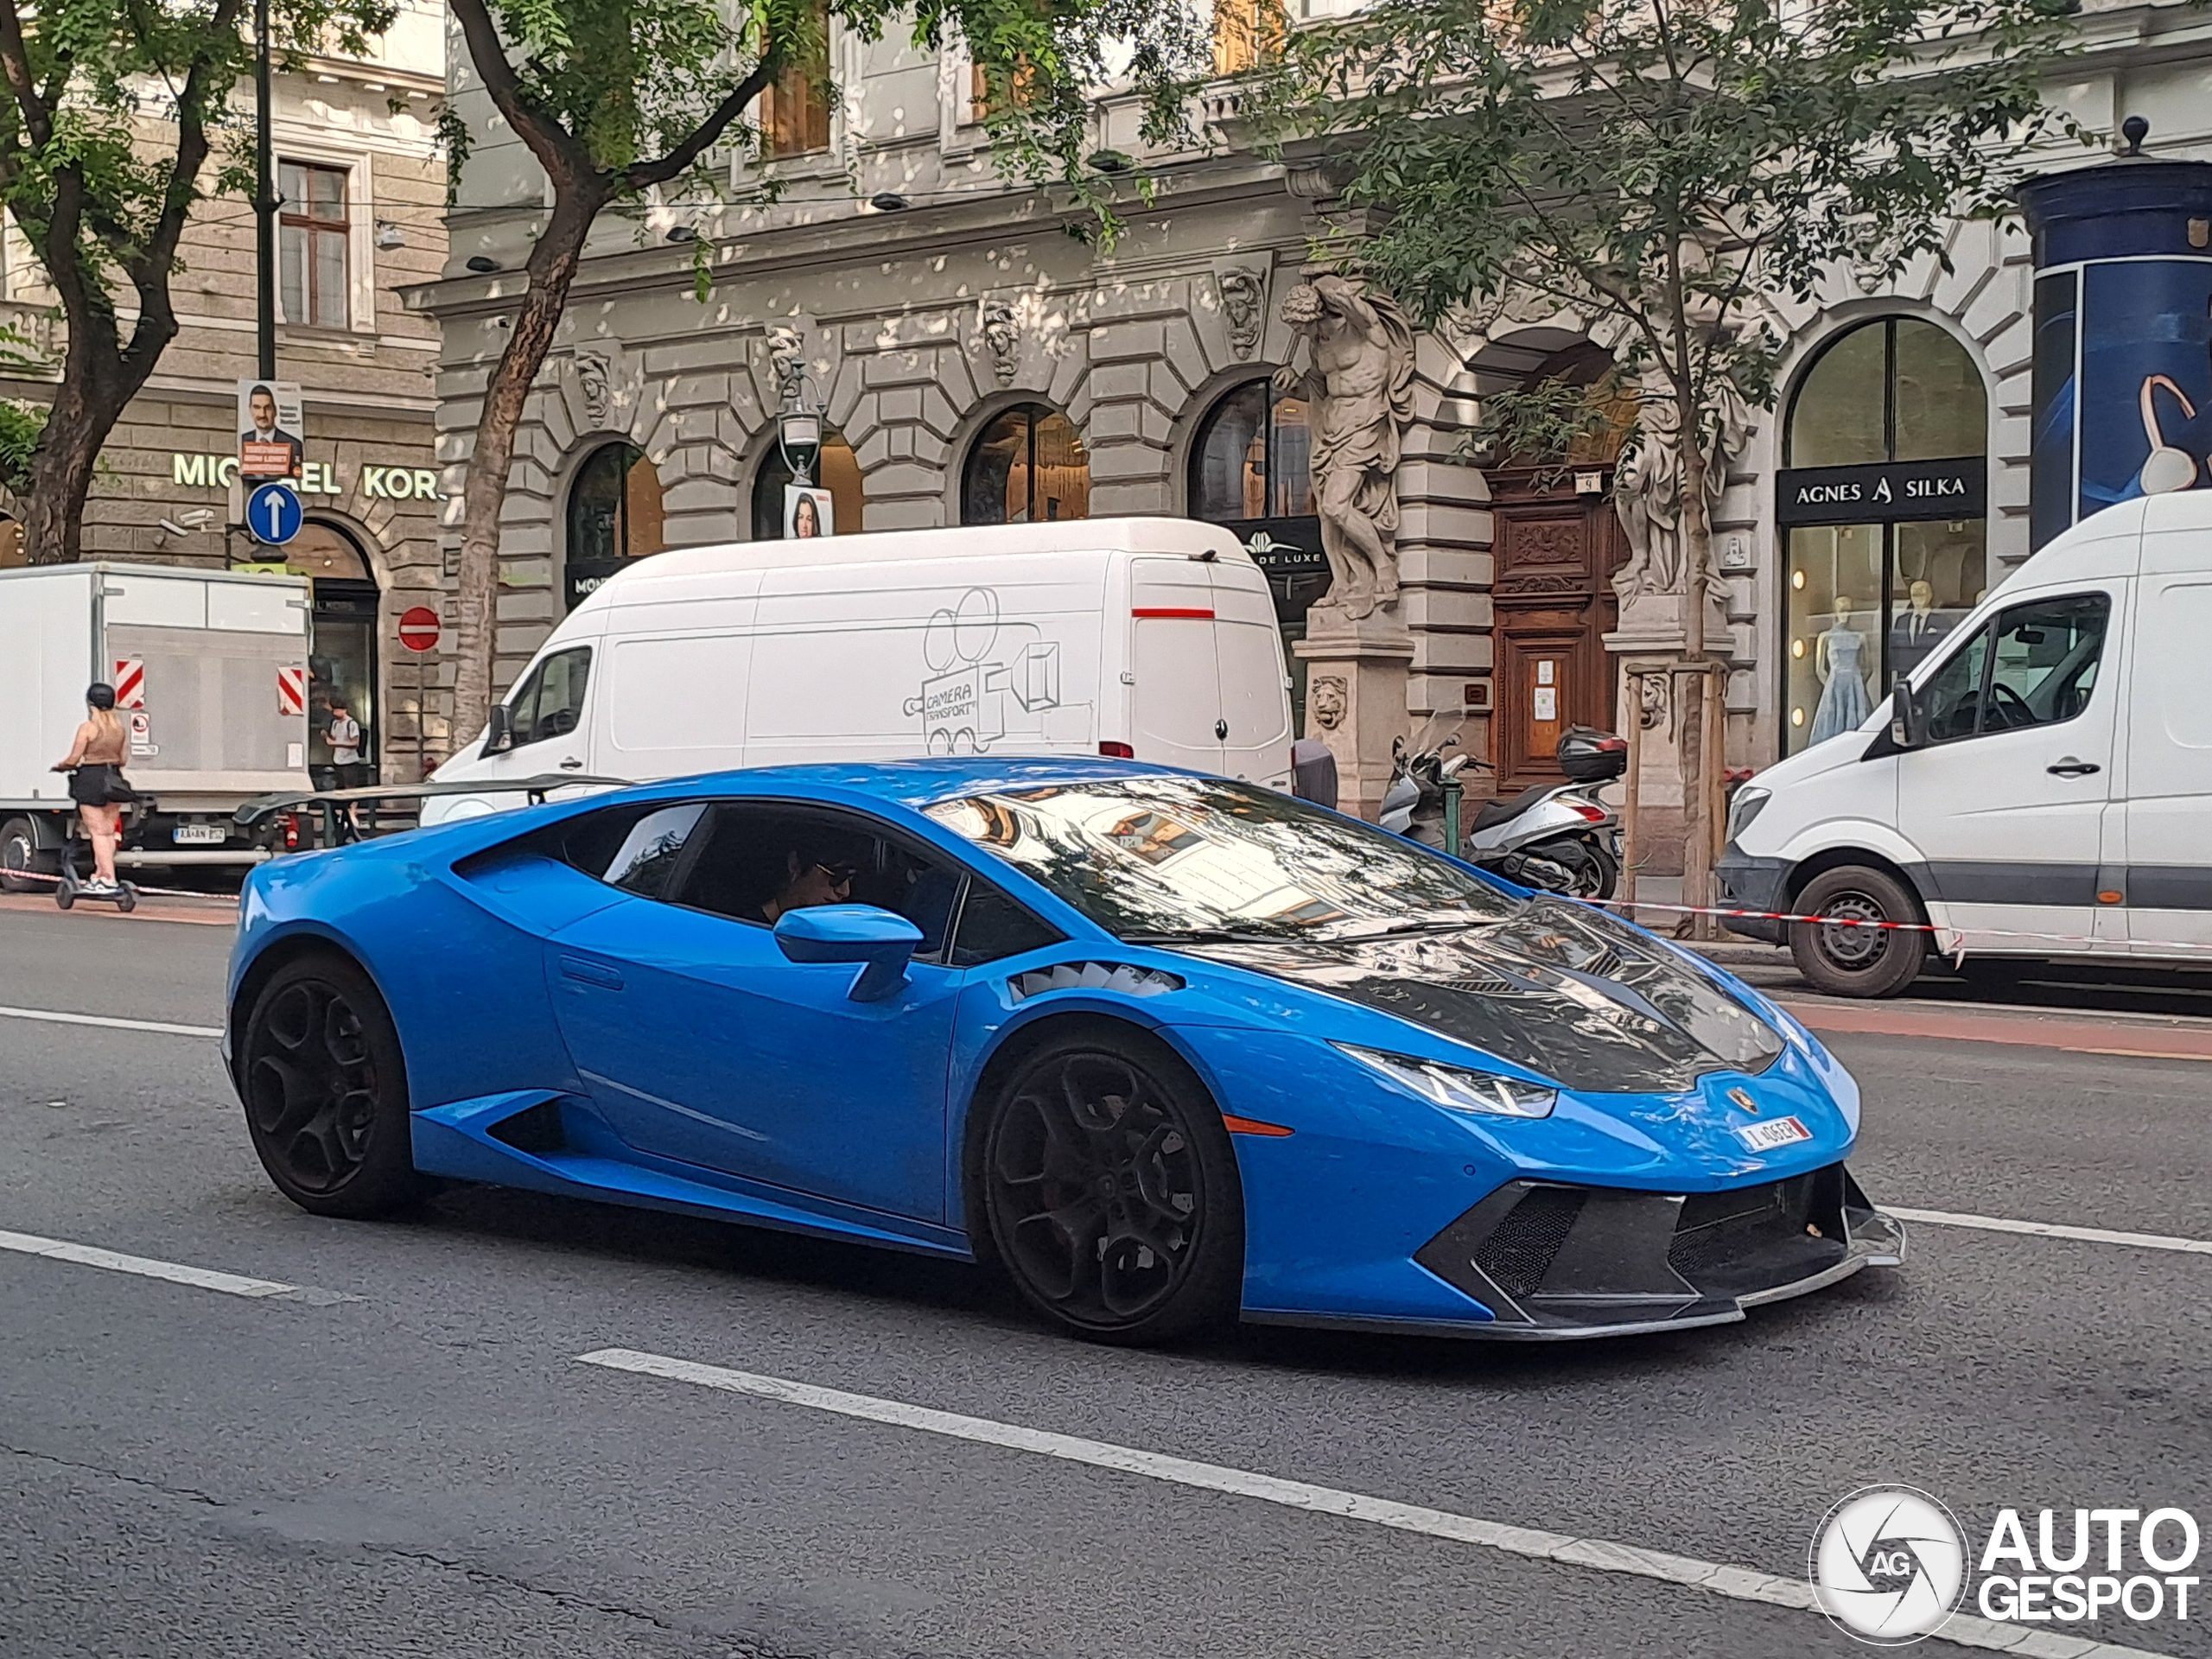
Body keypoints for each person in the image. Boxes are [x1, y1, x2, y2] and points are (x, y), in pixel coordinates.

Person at [51, 683, 133, 896]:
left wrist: (61, 766)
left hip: (91, 780)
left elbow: (74, 758)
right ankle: (100, 875)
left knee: (97, 833)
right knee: (108, 832)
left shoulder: (88, 728)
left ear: (91, 703)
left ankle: (108, 878)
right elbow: (122, 760)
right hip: (114, 779)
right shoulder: (119, 729)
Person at [760, 850, 855, 922]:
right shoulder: (749, 932)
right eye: (838, 875)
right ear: (795, 866)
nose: (845, 891)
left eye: (851, 878)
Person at [240, 383, 302, 480]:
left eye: (267, 408)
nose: (262, 414)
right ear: (250, 410)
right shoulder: (241, 441)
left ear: (275, 410)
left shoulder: (293, 444)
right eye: (257, 407)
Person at [327, 699, 364, 789]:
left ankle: (354, 802)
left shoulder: (351, 724)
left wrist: (336, 743)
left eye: (337, 710)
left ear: (344, 710)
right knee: (339, 785)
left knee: (350, 786)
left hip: (349, 761)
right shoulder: (335, 723)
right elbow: (334, 737)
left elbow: (355, 743)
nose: (335, 713)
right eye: (334, 711)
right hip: (337, 760)